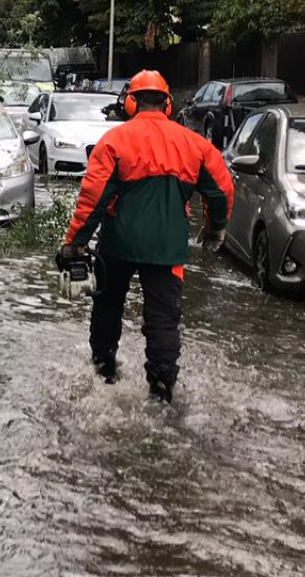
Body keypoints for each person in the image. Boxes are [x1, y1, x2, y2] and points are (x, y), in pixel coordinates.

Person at [58, 70, 233, 403]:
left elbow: (92, 200)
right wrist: (214, 228)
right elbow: (221, 191)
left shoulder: (113, 141)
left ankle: (103, 369)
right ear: (167, 104)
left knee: (108, 306)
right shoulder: (196, 145)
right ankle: (162, 387)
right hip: (168, 249)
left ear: (131, 102)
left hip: (117, 245)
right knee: (164, 319)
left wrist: (74, 244)